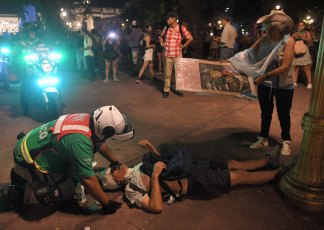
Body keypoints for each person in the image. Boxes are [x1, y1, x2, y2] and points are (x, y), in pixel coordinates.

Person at [3, 105, 135, 217]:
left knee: (74, 173)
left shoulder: (87, 119)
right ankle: (20, 191)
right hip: (27, 160)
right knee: (66, 190)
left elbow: (99, 142)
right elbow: (88, 179)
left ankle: (28, 177)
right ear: (106, 130)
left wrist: (114, 161)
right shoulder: (80, 142)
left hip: (29, 144)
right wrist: (106, 204)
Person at [100, 140, 290, 213]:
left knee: (231, 163)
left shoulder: (135, 168)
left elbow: (162, 163)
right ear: (116, 181)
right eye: (113, 169)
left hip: (193, 167)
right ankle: (279, 173)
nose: (116, 165)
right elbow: (156, 207)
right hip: (194, 182)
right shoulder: (131, 190)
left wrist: (151, 148)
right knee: (239, 176)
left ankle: (267, 162)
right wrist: (155, 177)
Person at [229, 10, 295, 156]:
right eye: (268, 28)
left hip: (283, 85)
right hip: (265, 84)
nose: (269, 31)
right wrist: (229, 62)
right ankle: (263, 138)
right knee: (266, 113)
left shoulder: (288, 41)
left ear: (281, 29)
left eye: (272, 28)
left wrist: (264, 76)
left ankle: (286, 140)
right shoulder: (264, 40)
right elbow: (247, 54)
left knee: (284, 114)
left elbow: (285, 66)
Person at [160, 12, 193, 98]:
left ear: (173, 19)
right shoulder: (166, 28)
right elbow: (161, 36)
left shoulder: (181, 29)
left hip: (178, 55)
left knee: (179, 74)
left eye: (168, 18)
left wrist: (184, 45)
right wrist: (161, 42)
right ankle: (166, 90)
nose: (167, 20)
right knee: (167, 74)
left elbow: (190, 38)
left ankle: (179, 90)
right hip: (167, 55)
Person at [19, 22, 45, 115]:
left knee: (54, 77)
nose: (33, 33)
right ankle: (25, 107)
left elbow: (47, 49)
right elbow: (15, 51)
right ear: (26, 33)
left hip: (40, 65)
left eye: (34, 31)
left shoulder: (39, 41)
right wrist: (17, 55)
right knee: (25, 85)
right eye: (31, 31)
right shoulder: (20, 42)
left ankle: (57, 99)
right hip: (26, 66)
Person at [292, 21, 313, 89]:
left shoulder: (307, 33)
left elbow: (310, 41)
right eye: (299, 25)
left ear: (304, 26)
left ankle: (309, 83)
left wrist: (302, 36)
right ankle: (294, 82)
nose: (300, 27)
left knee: (306, 67)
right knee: (296, 67)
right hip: (296, 51)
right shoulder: (295, 33)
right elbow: (291, 41)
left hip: (304, 51)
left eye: (302, 25)